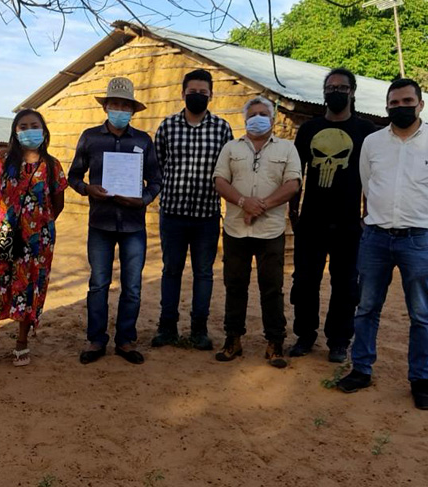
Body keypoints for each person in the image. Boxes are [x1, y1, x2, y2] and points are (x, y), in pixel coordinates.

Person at [336, 78, 428, 410]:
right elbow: (367, 182)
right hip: (375, 237)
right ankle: (361, 369)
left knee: (421, 313)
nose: (400, 107)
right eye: (394, 103)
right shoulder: (373, 143)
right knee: (366, 308)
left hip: (417, 240)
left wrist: (421, 213)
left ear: (420, 104)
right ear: (387, 106)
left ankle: (420, 379)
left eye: (407, 101)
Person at [68, 77, 162, 365]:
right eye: (115, 104)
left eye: (126, 105)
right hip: (100, 223)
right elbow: (73, 176)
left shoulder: (143, 141)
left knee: (132, 286)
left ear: (132, 110)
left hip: (134, 225)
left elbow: (156, 180)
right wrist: (87, 189)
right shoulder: (90, 138)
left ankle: (125, 340)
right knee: (98, 284)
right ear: (106, 106)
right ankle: (96, 340)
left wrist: (143, 199)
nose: (120, 109)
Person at [288, 68, 379, 362]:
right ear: (324, 92)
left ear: (352, 92)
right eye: (330, 87)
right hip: (311, 220)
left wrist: (367, 216)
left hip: (349, 224)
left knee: (345, 285)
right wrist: (293, 212)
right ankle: (305, 335)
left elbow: (373, 178)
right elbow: (295, 173)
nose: (335, 91)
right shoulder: (308, 130)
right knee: (304, 281)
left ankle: (339, 341)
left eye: (341, 87)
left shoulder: (367, 132)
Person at [0, 109, 67, 369]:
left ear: (43, 131)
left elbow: (58, 203)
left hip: (38, 241)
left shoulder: (52, 165)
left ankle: (22, 342)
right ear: (15, 131)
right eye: (23, 126)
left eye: (34, 125)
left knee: (30, 286)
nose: (28, 130)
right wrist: (10, 220)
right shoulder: (2, 160)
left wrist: (36, 224)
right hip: (5, 237)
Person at [212, 96, 302, 369]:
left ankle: (275, 343)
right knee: (235, 286)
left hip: (271, 232)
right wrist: (243, 203)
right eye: (253, 114)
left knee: (272, 288)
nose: (258, 118)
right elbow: (220, 180)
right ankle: (233, 340)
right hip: (236, 230)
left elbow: (293, 183)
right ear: (245, 119)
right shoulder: (231, 147)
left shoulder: (287, 148)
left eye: (264, 113)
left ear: (273, 120)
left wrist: (261, 206)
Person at [151, 69, 233, 351]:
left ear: (211, 95)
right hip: (172, 214)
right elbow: (157, 166)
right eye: (192, 92)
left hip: (207, 216)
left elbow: (227, 170)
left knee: (204, 273)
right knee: (171, 271)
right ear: (182, 92)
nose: (197, 96)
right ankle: (167, 328)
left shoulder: (222, 129)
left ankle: (199, 330)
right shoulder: (167, 126)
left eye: (203, 92)